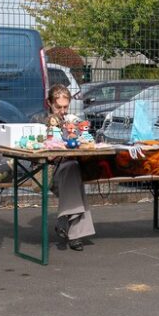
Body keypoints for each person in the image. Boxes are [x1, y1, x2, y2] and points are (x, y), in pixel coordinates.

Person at [46, 83, 94, 251]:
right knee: (72, 171)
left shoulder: (72, 121)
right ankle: (73, 232)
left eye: (65, 107)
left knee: (72, 168)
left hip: (71, 169)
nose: (62, 111)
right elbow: (44, 155)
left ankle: (64, 221)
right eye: (58, 107)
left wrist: (81, 138)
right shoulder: (41, 122)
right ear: (49, 103)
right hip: (49, 171)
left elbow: (85, 140)